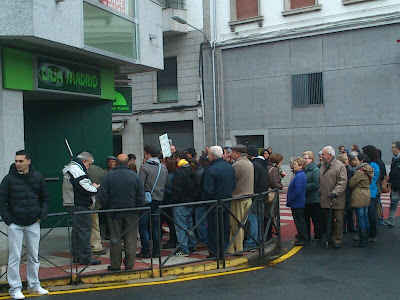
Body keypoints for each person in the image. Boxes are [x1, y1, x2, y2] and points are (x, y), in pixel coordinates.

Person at [0, 150, 49, 299]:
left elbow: (45, 198)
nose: (17, 164)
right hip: (16, 223)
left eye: (21, 161)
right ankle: (15, 288)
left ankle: (34, 285)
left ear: (28, 161)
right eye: (16, 161)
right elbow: (2, 202)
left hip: (33, 222)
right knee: (14, 257)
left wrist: (41, 216)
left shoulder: (38, 177)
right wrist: (9, 220)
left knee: (34, 256)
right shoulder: (8, 179)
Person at [98, 154, 144, 271]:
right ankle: (129, 264)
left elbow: (103, 196)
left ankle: (115, 264)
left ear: (116, 163)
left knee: (115, 239)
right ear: (128, 163)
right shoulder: (135, 176)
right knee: (130, 239)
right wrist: (138, 208)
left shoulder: (108, 176)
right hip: (132, 212)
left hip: (114, 212)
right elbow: (140, 196)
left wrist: (108, 207)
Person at [62, 151, 100, 265]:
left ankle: (77, 255)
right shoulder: (77, 170)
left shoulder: (71, 168)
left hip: (72, 203)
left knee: (77, 231)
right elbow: (86, 188)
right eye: (89, 164)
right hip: (79, 205)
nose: (88, 167)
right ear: (84, 161)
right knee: (84, 231)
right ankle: (85, 257)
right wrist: (95, 188)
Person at [202, 146, 236, 258]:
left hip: (213, 204)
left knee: (213, 230)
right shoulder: (230, 167)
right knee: (224, 228)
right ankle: (223, 250)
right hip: (226, 202)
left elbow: (208, 190)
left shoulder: (210, 170)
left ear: (211, 156)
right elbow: (233, 185)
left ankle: (214, 253)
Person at [137, 146, 168, 258]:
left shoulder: (144, 167)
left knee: (143, 225)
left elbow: (140, 185)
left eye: (145, 153)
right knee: (156, 225)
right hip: (159, 198)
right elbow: (166, 182)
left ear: (148, 154)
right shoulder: (163, 167)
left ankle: (146, 250)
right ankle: (156, 251)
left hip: (146, 199)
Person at [319, 146, 347, 249]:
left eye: (323, 154)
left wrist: (335, 192)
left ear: (330, 155)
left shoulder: (339, 166)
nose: (322, 156)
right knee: (327, 219)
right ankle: (329, 237)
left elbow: (342, 181)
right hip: (325, 198)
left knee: (338, 220)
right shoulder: (322, 165)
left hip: (337, 198)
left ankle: (337, 239)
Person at [171, 150, 197, 257]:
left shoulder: (179, 172)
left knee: (181, 226)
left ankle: (183, 248)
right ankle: (192, 245)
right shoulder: (191, 169)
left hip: (180, 202)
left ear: (177, 159)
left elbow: (177, 189)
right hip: (190, 201)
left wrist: (173, 200)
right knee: (189, 224)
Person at [228, 145, 254, 254]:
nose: (230, 154)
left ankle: (238, 248)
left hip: (238, 198)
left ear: (238, 154)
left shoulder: (237, 165)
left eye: (232, 152)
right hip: (248, 197)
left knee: (235, 224)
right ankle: (231, 247)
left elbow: (231, 181)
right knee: (241, 223)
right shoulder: (249, 163)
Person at [244, 145, 269, 248]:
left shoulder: (254, 165)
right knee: (259, 218)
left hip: (255, 195)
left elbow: (253, 181)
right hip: (262, 195)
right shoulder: (263, 164)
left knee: (253, 219)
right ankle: (259, 240)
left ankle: (251, 242)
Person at [349, 153, 373, 247]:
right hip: (367, 193)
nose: (355, 162)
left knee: (360, 217)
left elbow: (351, 183)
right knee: (365, 216)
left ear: (361, 161)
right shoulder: (369, 169)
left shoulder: (360, 172)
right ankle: (366, 235)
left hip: (359, 194)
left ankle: (363, 239)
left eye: (357, 160)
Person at [302, 151, 323, 242]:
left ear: (311, 159)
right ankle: (306, 235)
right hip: (306, 198)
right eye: (303, 158)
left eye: (306, 158)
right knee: (305, 218)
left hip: (314, 199)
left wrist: (303, 187)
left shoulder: (315, 170)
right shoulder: (304, 169)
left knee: (316, 219)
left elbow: (316, 184)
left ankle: (318, 235)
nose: (304, 160)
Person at [287, 157, 308, 246]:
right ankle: (302, 236)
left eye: (295, 164)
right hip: (297, 202)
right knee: (299, 220)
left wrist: (290, 199)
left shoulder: (300, 176)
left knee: (299, 221)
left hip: (297, 202)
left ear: (300, 166)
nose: (293, 166)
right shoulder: (299, 175)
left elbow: (298, 190)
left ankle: (303, 238)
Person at [87, 163, 107, 256]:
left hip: (83, 202)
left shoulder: (77, 170)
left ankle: (81, 247)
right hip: (95, 202)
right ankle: (96, 246)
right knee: (95, 224)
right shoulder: (98, 170)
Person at [362, 145, 380, 242]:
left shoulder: (371, 165)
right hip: (372, 190)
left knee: (370, 214)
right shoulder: (375, 164)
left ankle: (371, 234)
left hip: (370, 191)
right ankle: (371, 233)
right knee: (370, 213)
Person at [161, 157, 177, 249]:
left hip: (169, 201)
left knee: (171, 223)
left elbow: (169, 189)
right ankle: (173, 240)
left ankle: (172, 241)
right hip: (171, 201)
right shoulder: (174, 174)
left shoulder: (169, 176)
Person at [338, 153, 356, 233]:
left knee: (345, 211)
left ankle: (344, 227)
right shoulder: (349, 170)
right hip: (347, 192)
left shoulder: (343, 170)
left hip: (345, 192)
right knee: (348, 211)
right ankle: (349, 226)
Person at [384, 141, 400, 227]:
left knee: (394, 203)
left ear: (398, 148)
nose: (391, 149)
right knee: (393, 203)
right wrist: (389, 181)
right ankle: (391, 220)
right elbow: (392, 171)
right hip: (395, 186)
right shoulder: (394, 159)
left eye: (393, 147)